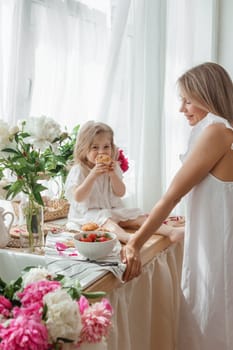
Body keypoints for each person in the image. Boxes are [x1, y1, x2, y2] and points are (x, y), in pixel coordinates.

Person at [121, 62, 233, 350]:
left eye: (188, 100)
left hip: (217, 257)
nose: (182, 109)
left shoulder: (216, 131)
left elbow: (171, 196)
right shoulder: (223, 132)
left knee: (210, 328)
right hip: (216, 247)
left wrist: (135, 242)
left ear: (208, 96)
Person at [64, 120, 183, 243]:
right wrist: (92, 176)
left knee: (137, 216)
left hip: (111, 210)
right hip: (87, 215)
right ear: (83, 149)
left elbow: (120, 192)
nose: (102, 152)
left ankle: (171, 231)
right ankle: (128, 238)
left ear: (112, 147)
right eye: (95, 147)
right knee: (106, 220)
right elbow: (78, 197)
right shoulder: (79, 170)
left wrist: (113, 175)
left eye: (106, 146)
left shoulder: (113, 167)